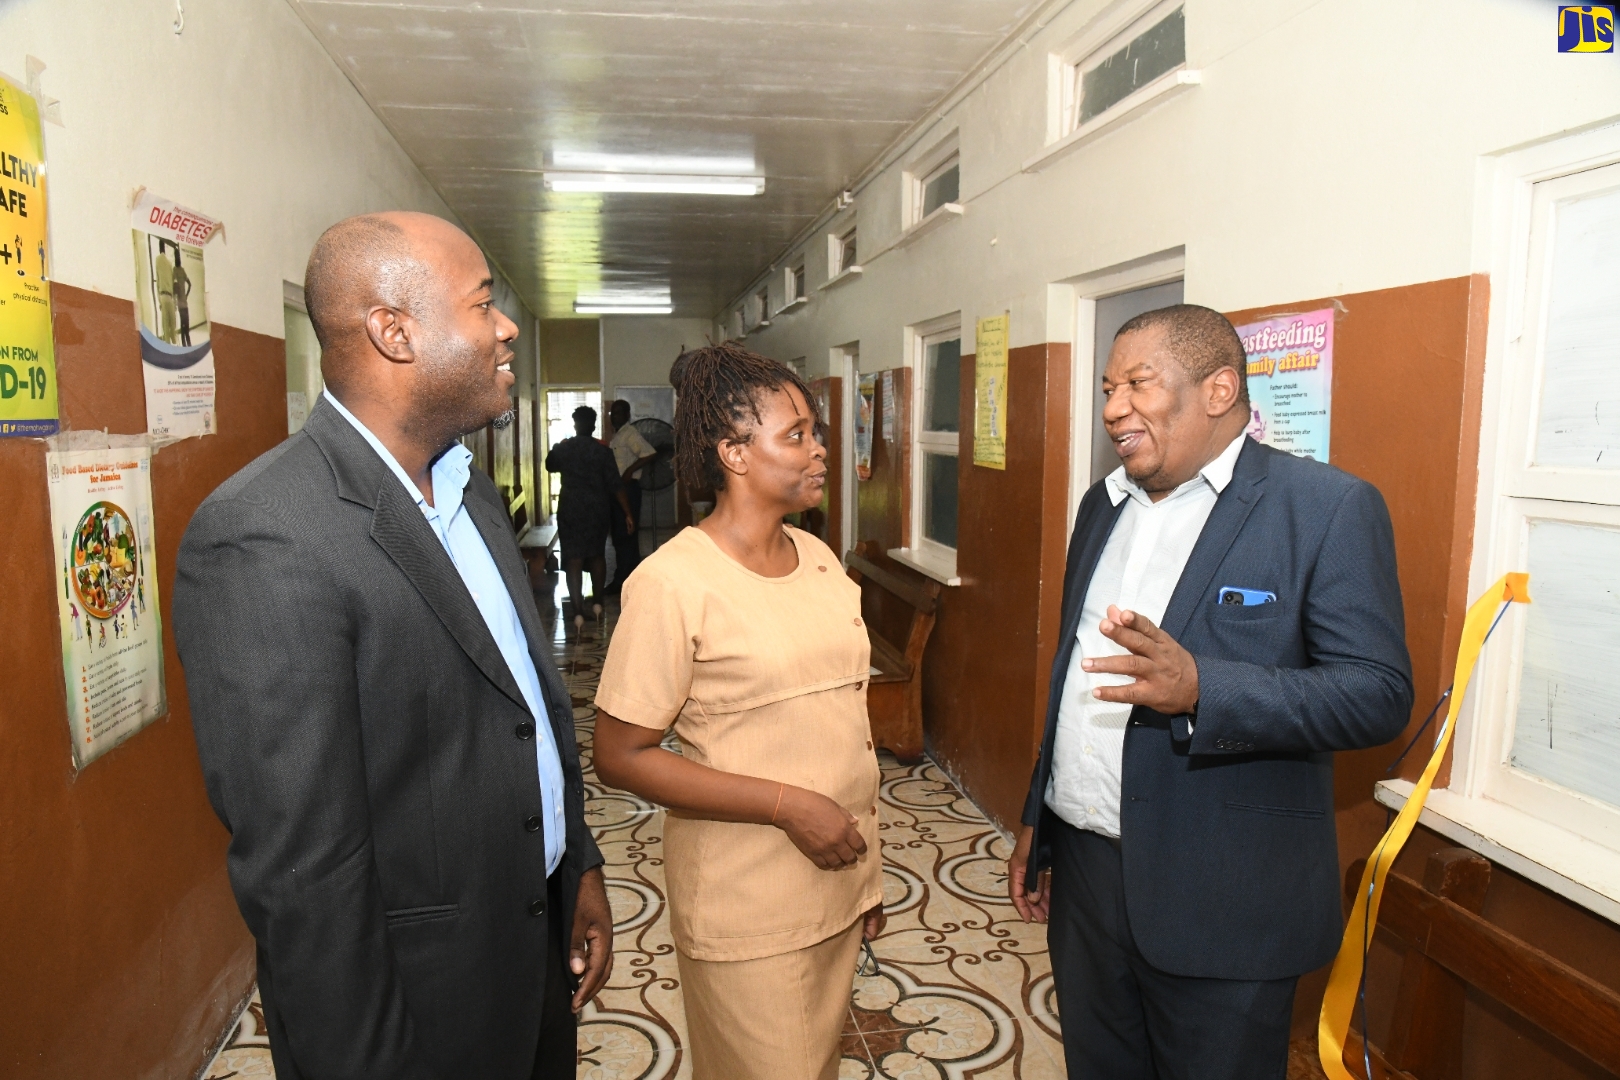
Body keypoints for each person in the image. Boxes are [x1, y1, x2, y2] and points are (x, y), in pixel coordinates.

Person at [173, 212, 613, 1080]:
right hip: (420, 1010)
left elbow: (522, 710)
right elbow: (308, 876)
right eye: (483, 302)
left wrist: (576, 868)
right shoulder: (265, 536)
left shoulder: (467, 487)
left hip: (530, 949)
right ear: (393, 331)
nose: (507, 325)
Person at [1006, 304, 1413, 1080]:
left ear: (1220, 389)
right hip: (1089, 879)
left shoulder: (1325, 509)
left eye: (1136, 384)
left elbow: (1377, 693)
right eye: (1105, 387)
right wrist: (1040, 819)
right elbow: (1071, 683)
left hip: (1225, 895)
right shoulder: (1102, 507)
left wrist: (1202, 688)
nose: (1112, 407)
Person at [593, 342, 885, 1080]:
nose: (820, 450)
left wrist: (866, 883)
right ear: (733, 452)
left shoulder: (819, 559)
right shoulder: (673, 583)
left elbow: (844, 730)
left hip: (836, 874)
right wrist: (789, 805)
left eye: (816, 431)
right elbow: (620, 754)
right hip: (748, 898)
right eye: (797, 436)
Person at [544, 406, 632, 634]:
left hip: (570, 509)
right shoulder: (602, 451)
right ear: (593, 425)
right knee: (596, 555)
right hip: (597, 509)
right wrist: (627, 512)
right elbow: (616, 485)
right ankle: (598, 603)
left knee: (573, 557)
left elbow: (549, 465)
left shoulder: (566, 449)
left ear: (575, 424)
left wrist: (557, 447)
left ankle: (577, 612)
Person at [604, 398, 658, 593]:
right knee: (621, 536)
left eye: (618, 413)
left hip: (628, 490)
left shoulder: (630, 434)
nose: (614, 417)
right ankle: (628, 578)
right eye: (612, 413)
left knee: (625, 535)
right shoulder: (618, 435)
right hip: (618, 490)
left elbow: (649, 453)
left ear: (627, 415)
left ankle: (622, 581)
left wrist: (629, 470)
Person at [171, 244, 193, 347]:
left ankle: (186, 345)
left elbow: (175, 287)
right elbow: (189, 284)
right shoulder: (180, 270)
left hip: (181, 302)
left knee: (184, 326)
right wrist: (186, 294)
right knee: (185, 326)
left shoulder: (175, 270)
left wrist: (177, 298)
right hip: (183, 302)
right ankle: (187, 345)